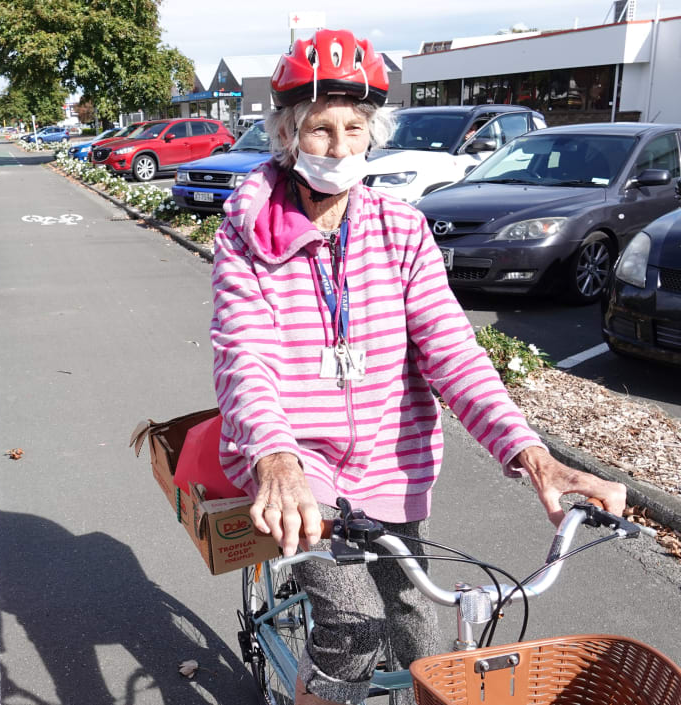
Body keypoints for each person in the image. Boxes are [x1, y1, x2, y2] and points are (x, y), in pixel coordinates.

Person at [208, 29, 626, 705]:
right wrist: (275, 455)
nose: (340, 147)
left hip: (389, 462)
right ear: (287, 137)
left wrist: (531, 453)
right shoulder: (246, 238)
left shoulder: (402, 232)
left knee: (420, 633)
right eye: (319, 130)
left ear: (372, 134)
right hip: (302, 462)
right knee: (353, 628)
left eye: (354, 128)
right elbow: (243, 353)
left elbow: (454, 352)